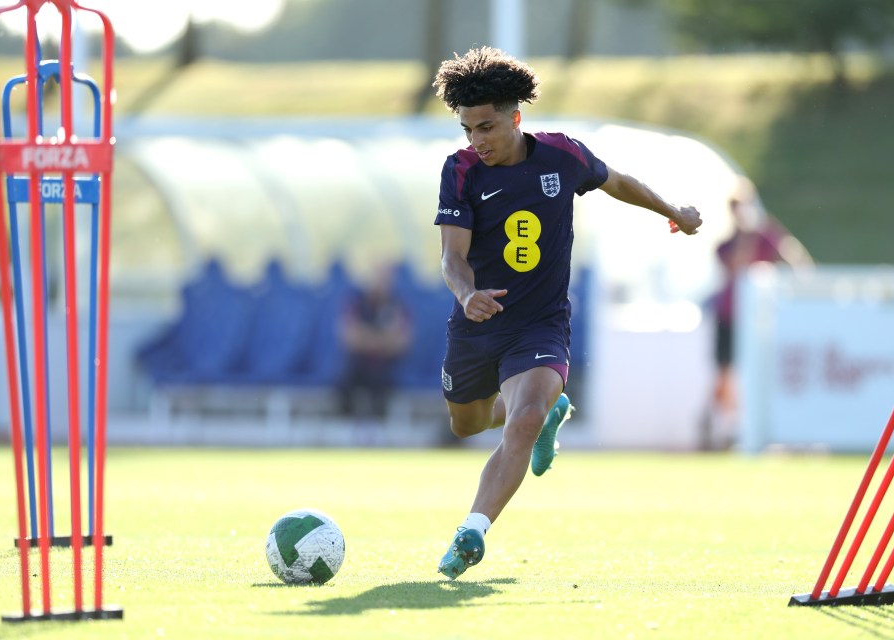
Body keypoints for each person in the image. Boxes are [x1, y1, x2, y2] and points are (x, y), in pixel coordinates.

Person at [431, 46, 703, 579]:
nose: (477, 141)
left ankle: (473, 530)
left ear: (515, 117)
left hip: (540, 323)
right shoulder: (460, 170)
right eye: (467, 130)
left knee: (525, 417)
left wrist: (672, 211)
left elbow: (616, 181)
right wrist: (467, 296)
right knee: (467, 425)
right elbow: (452, 257)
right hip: (478, 322)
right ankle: (548, 411)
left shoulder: (562, 156)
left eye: (486, 127)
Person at [708, 177, 812, 448]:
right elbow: (736, 266)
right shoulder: (727, 244)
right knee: (724, 374)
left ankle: (740, 427)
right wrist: (747, 237)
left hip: (758, 318)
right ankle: (726, 426)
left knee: (759, 372)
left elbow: (796, 260)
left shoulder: (768, 236)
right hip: (729, 315)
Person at [335, 264, 411, 421]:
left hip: (387, 368)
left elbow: (401, 342)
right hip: (358, 365)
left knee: (382, 387)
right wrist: (383, 339)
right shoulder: (356, 303)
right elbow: (349, 337)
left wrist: (366, 337)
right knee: (342, 383)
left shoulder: (398, 305)